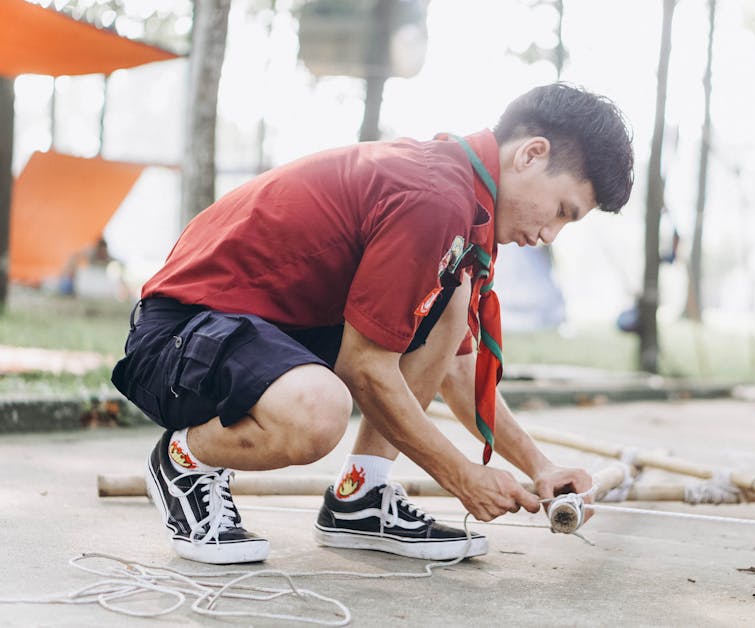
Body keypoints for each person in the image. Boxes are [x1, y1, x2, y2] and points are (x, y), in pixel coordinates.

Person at [111, 83, 635, 565]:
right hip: (179, 339)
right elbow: (364, 367)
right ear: (531, 154)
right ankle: (183, 461)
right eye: (563, 210)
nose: (550, 234)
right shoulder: (437, 196)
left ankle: (360, 496)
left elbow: (456, 369)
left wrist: (539, 468)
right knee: (319, 411)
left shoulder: (461, 197)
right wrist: (460, 475)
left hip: (259, 333)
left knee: (451, 302)